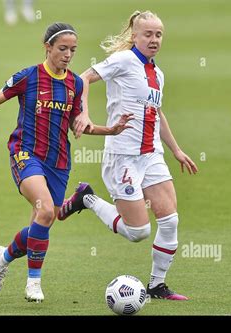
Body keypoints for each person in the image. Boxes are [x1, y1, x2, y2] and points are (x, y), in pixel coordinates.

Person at [0, 23, 133, 302]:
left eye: (73, 50)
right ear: (47, 47)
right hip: (26, 153)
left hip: (58, 162)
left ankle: (4, 256)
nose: (68, 55)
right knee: (46, 210)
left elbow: (80, 126)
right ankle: (33, 283)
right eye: (62, 49)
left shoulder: (76, 84)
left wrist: (112, 129)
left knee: (42, 222)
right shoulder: (29, 77)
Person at [58, 11, 198, 300]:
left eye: (158, 34)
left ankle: (157, 286)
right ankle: (88, 198)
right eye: (148, 34)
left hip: (152, 155)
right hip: (122, 156)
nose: (154, 39)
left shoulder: (157, 74)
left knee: (170, 220)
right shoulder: (122, 61)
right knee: (138, 232)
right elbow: (83, 79)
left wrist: (177, 150)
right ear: (135, 36)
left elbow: (157, 114)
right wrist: (83, 113)